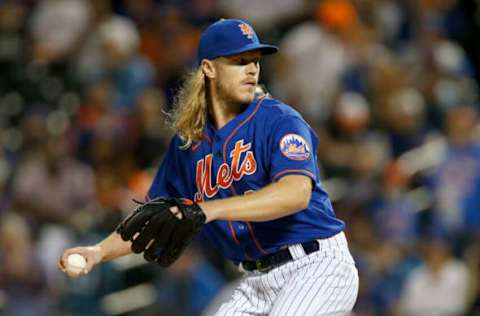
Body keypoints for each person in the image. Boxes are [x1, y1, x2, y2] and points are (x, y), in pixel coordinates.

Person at [59, 19, 359, 315]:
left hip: (315, 265)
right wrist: (98, 252)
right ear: (209, 68)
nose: (252, 68)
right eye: (239, 61)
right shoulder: (189, 145)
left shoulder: (279, 120)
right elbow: (155, 219)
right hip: (257, 280)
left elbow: (296, 194)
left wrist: (210, 209)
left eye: (255, 60)